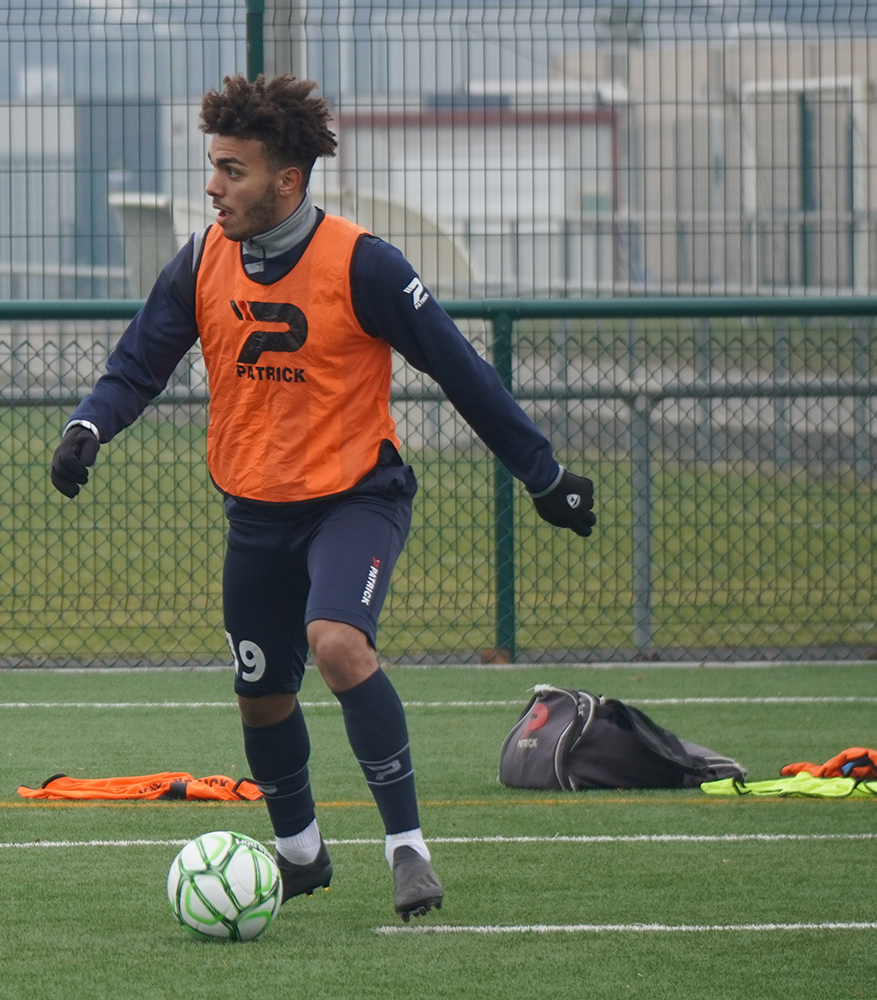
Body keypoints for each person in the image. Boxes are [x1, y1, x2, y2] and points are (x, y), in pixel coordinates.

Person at [49, 75, 596, 922]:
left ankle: (407, 850)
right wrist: (89, 426)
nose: (212, 186)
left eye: (232, 170)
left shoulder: (364, 264)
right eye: (212, 166)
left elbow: (461, 370)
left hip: (355, 500)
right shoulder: (200, 260)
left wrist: (544, 475)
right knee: (260, 694)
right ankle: (300, 856)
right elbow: (136, 365)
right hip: (255, 516)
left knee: (337, 642)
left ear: (287, 182)